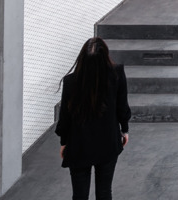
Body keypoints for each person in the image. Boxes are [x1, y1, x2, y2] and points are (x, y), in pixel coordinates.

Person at [55, 37, 131, 200]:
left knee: (79, 195)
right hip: (108, 142)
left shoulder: (70, 81)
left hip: (79, 145)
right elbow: (122, 107)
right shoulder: (116, 74)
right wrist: (124, 130)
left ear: (81, 58)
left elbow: (65, 117)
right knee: (104, 192)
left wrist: (64, 142)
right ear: (105, 56)